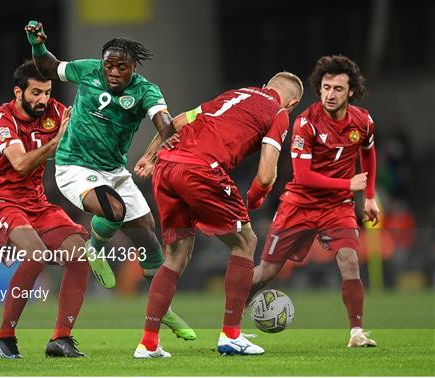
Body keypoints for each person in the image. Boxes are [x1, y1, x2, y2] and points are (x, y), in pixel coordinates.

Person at [24, 21, 195, 340]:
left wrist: (161, 141)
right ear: (102, 63)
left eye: (122, 67)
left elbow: (163, 120)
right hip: (74, 166)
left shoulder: (145, 90)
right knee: (112, 211)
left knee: (150, 244)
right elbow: (48, 66)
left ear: (134, 67)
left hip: (115, 172)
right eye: (109, 66)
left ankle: (163, 311)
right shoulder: (86, 70)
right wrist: (37, 44)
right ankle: (94, 248)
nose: (114, 72)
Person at [133, 72, 304, 358]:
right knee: (246, 242)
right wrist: (257, 196)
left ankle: (148, 343)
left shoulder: (235, 94)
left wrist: (149, 157)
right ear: (293, 103)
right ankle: (231, 336)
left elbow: (175, 122)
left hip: (166, 167)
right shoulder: (279, 113)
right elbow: (265, 174)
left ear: (265, 87)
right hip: (201, 169)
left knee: (176, 255)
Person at [247, 55, 379, 348]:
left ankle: (357, 333)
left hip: (338, 207)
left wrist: (369, 196)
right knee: (266, 272)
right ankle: (229, 324)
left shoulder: (363, 121)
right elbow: (304, 176)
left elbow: (368, 152)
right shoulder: (305, 123)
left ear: (351, 92)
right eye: (326, 87)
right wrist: (349, 183)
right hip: (299, 205)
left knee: (350, 262)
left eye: (338, 89)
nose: (330, 94)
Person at [0, 61, 90, 358]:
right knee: (36, 253)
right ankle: (4, 337)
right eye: (36, 92)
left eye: (48, 92)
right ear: (18, 92)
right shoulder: (2, 120)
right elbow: (20, 163)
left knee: (80, 257)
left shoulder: (55, 112)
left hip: (36, 203)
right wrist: (55, 143)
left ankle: (61, 339)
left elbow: (85, 135)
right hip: (2, 203)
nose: (43, 99)